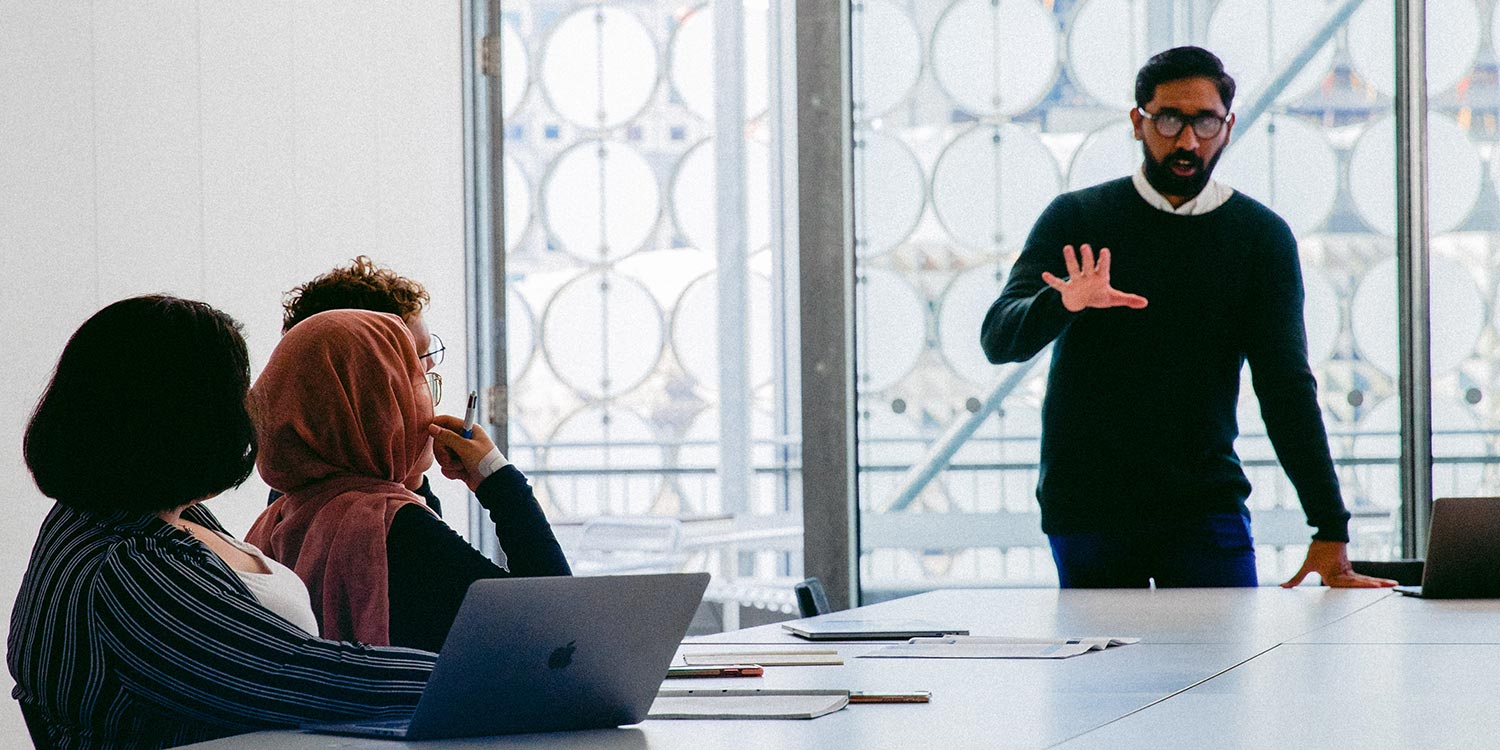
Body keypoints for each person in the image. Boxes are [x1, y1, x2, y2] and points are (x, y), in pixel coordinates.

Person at [979, 46, 1395, 590]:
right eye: (1170, 119)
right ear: (1138, 122)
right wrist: (1064, 302)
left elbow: (1286, 386)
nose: (1187, 140)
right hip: (1088, 508)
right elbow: (998, 338)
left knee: (1223, 670)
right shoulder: (1078, 217)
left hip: (1204, 505)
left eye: (1206, 122)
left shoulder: (1258, 238)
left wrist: (1330, 524)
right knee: (1104, 671)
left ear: (1228, 126)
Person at [10, 296, 437, 750]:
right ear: (191, 421)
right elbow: (304, 676)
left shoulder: (118, 514)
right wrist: (475, 673)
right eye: (239, 395)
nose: (253, 410)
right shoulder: (127, 570)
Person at [246, 309, 571, 653]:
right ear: (375, 406)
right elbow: (558, 624)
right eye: (413, 381)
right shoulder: (394, 528)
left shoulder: (278, 519)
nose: (428, 405)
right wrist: (497, 478)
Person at [273, 255, 446, 516]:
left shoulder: (297, 490)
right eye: (415, 357)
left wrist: (413, 481)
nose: (430, 364)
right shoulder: (378, 517)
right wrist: (495, 476)